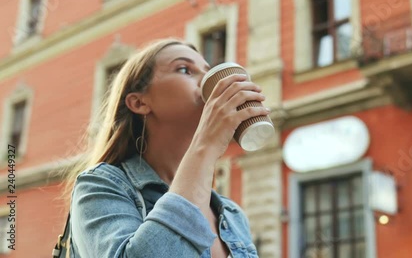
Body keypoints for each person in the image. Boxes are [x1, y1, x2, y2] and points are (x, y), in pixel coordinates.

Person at [64, 38, 267, 257]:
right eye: (184, 69)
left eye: (207, 70)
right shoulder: (100, 185)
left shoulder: (232, 213)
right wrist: (206, 145)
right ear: (139, 103)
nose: (208, 80)